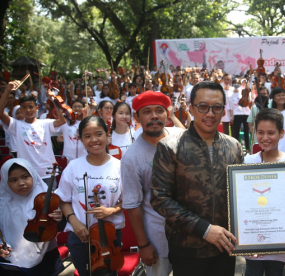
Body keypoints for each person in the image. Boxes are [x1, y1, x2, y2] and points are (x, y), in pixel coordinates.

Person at [151, 81, 243, 276]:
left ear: (223, 110)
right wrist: (204, 229)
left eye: (217, 107)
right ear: (191, 108)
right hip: (186, 249)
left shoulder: (234, 147)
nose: (210, 113)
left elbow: (240, 196)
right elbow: (160, 199)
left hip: (225, 246)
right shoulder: (170, 147)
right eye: (203, 106)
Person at [122, 92, 184, 276]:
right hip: (157, 238)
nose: (154, 116)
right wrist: (143, 244)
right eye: (147, 112)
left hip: (189, 234)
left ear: (167, 114)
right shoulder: (131, 158)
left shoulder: (181, 138)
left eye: (159, 110)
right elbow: (133, 205)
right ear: (137, 117)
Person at [55, 116, 124, 276]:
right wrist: (75, 222)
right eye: (87, 136)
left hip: (109, 235)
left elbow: (128, 200)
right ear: (80, 139)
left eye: (98, 134)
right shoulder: (73, 166)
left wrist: (111, 211)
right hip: (81, 236)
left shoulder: (120, 166)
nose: (94, 140)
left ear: (108, 135)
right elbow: (63, 199)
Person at [244, 108, 285, 276]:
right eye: (260, 132)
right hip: (253, 236)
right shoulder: (248, 161)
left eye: (271, 133)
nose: (265, 138)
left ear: (282, 133)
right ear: (254, 132)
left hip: (279, 236)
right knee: (253, 271)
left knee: (276, 272)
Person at [0, 158, 65, 276]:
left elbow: (59, 227)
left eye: (25, 177)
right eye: (13, 180)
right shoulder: (2, 203)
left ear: (33, 175)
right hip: (11, 260)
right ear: (5, 182)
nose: (21, 183)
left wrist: (59, 218)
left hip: (47, 259)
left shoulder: (46, 196)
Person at [0, 81, 67, 181]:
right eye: (24, 107)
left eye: (31, 107)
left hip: (47, 171)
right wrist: (8, 90)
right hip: (27, 172)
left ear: (37, 108)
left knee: (48, 197)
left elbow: (62, 121)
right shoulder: (16, 125)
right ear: (21, 109)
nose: (27, 110)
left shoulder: (45, 123)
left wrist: (53, 99)